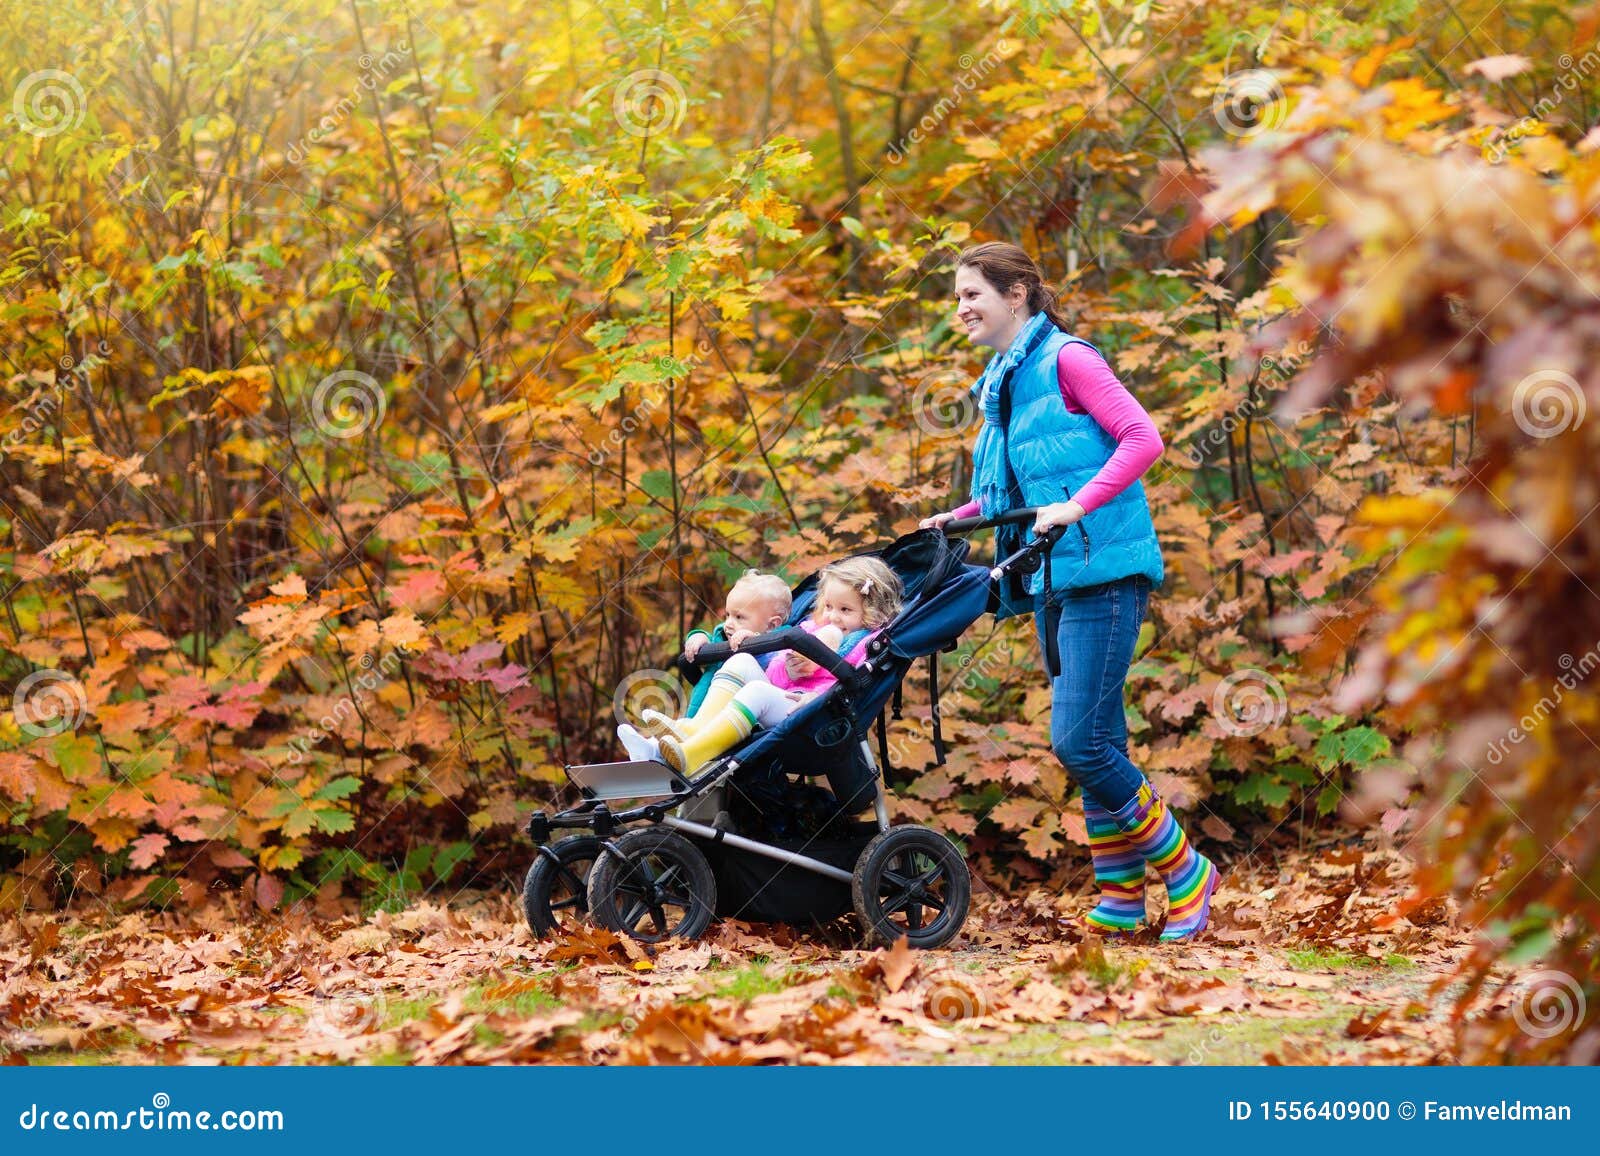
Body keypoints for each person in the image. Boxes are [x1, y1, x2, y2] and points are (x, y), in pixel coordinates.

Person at [919, 240, 1219, 943]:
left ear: (1016, 294)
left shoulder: (1069, 360)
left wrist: (1079, 506)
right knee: (1102, 737)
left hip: (1104, 572)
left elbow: (1143, 439)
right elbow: (1018, 491)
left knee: (1079, 741)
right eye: (957, 296)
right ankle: (1119, 895)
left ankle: (1185, 868)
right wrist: (959, 518)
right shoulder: (1004, 377)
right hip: (1052, 574)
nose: (960, 308)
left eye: (972, 294)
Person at [622, 557, 903, 777]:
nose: (833, 616)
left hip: (814, 713)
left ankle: (692, 756)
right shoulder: (808, 628)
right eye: (828, 606)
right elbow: (774, 671)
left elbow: (850, 685)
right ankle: (686, 734)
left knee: (757, 690)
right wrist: (787, 667)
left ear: (872, 612)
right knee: (742, 660)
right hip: (781, 698)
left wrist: (816, 698)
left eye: (845, 610)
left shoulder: (865, 643)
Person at [616, 569, 791, 757]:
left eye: (739, 617)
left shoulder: (781, 644)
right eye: (727, 615)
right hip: (701, 709)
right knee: (681, 734)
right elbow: (710, 636)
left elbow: (775, 671)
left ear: (772, 625)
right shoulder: (724, 635)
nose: (729, 624)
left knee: (689, 736)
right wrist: (698, 637)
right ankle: (650, 749)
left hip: (734, 718)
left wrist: (755, 641)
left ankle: (656, 751)